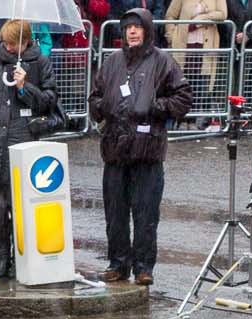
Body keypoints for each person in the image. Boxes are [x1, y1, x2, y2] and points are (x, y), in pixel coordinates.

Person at [88, 7, 190, 285]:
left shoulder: (163, 62)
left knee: (145, 214)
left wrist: (156, 107)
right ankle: (118, 263)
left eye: (137, 27)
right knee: (116, 214)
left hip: (147, 151)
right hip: (115, 150)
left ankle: (144, 267)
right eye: (127, 28)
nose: (132, 32)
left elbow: (183, 97)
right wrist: (101, 108)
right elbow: (95, 95)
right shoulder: (112, 62)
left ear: (147, 30)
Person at [0, 18, 53, 277]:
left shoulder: (39, 62)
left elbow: (49, 100)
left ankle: (22, 256)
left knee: (21, 206)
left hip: (22, 140)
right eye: (3, 41)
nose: (5, 45)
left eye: (10, 41)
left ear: (24, 41)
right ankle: (1, 257)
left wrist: (24, 87)